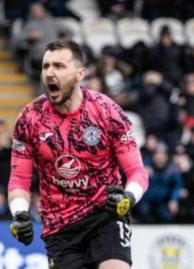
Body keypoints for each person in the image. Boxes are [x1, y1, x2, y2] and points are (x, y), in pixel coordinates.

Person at [7, 40, 148, 269]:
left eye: (59, 66)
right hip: (59, 227)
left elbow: (137, 172)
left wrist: (128, 197)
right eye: (46, 67)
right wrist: (20, 213)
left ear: (79, 74)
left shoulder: (107, 111)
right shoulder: (30, 119)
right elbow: (19, 179)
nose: (50, 73)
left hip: (105, 215)